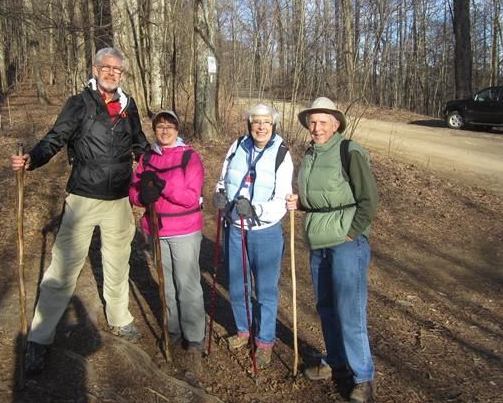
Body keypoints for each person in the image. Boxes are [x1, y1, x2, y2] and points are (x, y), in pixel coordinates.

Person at [10, 47, 149, 375]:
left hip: (118, 199)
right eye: (106, 67)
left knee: (118, 262)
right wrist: (32, 159)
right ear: (95, 68)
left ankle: (119, 318)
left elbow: (141, 145)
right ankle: (40, 338)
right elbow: (55, 139)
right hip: (83, 196)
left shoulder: (130, 108)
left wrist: (156, 168)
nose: (112, 72)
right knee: (63, 269)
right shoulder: (79, 103)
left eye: (117, 69)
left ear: (123, 75)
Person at [286, 97, 379, 403]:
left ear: (336, 124)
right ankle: (337, 360)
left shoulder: (348, 151)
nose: (316, 127)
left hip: (345, 243)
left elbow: (368, 199)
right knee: (326, 307)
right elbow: (319, 197)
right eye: (312, 122)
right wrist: (300, 203)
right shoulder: (311, 154)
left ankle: (363, 376)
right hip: (318, 242)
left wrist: (353, 233)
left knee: (349, 311)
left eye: (323, 122)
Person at [213, 103, 293, 369]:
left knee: (266, 289)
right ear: (249, 125)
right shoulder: (237, 146)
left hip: (265, 232)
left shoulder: (281, 153)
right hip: (235, 228)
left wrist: (256, 209)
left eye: (266, 123)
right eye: (256, 122)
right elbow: (224, 178)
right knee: (237, 283)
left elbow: (282, 199)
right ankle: (243, 330)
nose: (261, 127)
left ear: (273, 126)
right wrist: (221, 194)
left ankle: (265, 341)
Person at [129, 110, 206, 358]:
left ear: (177, 129)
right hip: (155, 229)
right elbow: (133, 189)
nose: (164, 130)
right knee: (166, 285)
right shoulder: (147, 157)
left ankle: (194, 336)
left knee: (187, 284)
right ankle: (172, 329)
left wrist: (162, 186)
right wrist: (142, 196)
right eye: (160, 126)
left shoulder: (189, 157)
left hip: (184, 230)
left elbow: (191, 197)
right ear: (154, 129)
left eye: (169, 126)